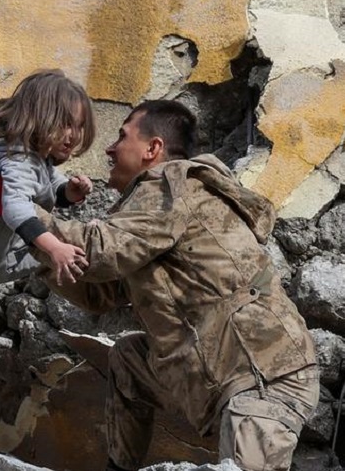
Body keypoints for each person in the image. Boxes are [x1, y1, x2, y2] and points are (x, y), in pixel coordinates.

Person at [32, 100, 319, 471]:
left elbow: (99, 250)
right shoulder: (147, 215)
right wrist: (34, 254)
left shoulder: (172, 186)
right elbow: (99, 292)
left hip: (262, 375)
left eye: (122, 136)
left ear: (153, 149)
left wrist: (23, 219)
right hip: (221, 375)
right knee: (129, 358)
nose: (109, 148)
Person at [0, 69, 96, 284]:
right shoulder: (20, 162)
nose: (75, 135)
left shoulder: (6, 148)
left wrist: (68, 191)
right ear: (40, 118)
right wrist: (55, 248)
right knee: (83, 252)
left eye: (79, 126)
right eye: (66, 124)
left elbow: (47, 177)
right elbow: (16, 209)